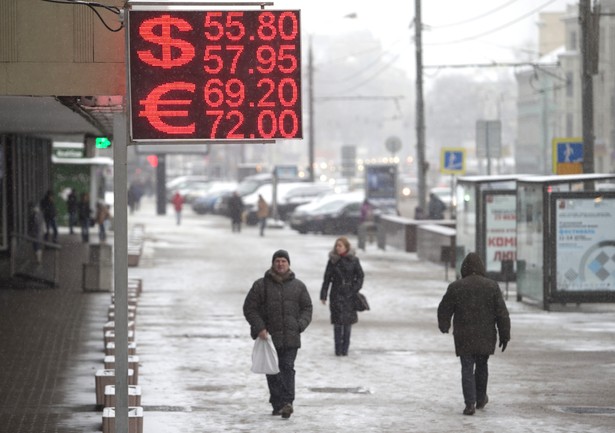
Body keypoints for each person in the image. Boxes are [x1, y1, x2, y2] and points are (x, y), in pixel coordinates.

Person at [437, 252, 511, 416]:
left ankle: (469, 404)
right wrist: (505, 334)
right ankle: (480, 398)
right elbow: (502, 313)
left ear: (464, 268)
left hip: (464, 335)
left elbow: (444, 308)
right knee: (482, 366)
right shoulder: (491, 286)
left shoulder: (456, 287)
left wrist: (444, 324)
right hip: (485, 334)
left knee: (467, 368)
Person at [243, 250, 313, 419]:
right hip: (269, 337)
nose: (280, 264)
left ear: (288, 264)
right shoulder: (261, 285)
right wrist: (259, 327)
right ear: (273, 263)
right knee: (273, 371)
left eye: (283, 261)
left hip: (291, 337)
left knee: (287, 367)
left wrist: (300, 325)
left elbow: (307, 308)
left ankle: (287, 402)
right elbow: (249, 308)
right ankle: (277, 403)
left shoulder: (298, 286)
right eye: (277, 261)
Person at [320, 236, 364, 356]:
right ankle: (338, 349)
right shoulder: (333, 261)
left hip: (349, 294)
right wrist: (323, 295)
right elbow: (327, 279)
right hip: (336, 293)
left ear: (346, 247)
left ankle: (345, 349)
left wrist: (354, 288)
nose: (338, 248)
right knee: (337, 323)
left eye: (340, 246)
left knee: (347, 324)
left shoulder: (354, 260)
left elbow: (360, 276)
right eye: (336, 246)